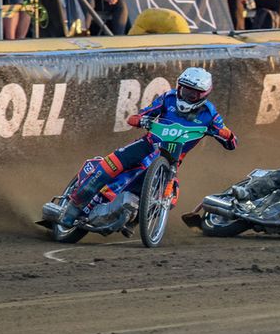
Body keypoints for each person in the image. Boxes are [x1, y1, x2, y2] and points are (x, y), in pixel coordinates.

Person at [52, 68, 238, 227]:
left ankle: (133, 221)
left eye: (192, 94)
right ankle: (71, 209)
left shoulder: (210, 114)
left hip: (171, 160)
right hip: (147, 145)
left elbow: (231, 143)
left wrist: (227, 135)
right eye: (184, 89)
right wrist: (141, 119)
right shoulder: (168, 98)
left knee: (171, 197)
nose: (186, 95)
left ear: (203, 95)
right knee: (109, 166)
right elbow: (137, 116)